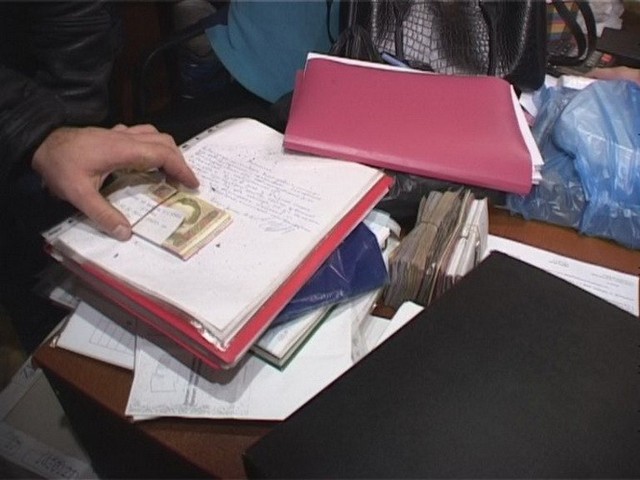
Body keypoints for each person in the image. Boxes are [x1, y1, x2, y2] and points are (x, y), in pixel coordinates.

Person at [0, 2, 198, 351]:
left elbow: (75, 26)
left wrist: (73, 129)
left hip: (52, 104)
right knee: (46, 316)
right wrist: (41, 134)